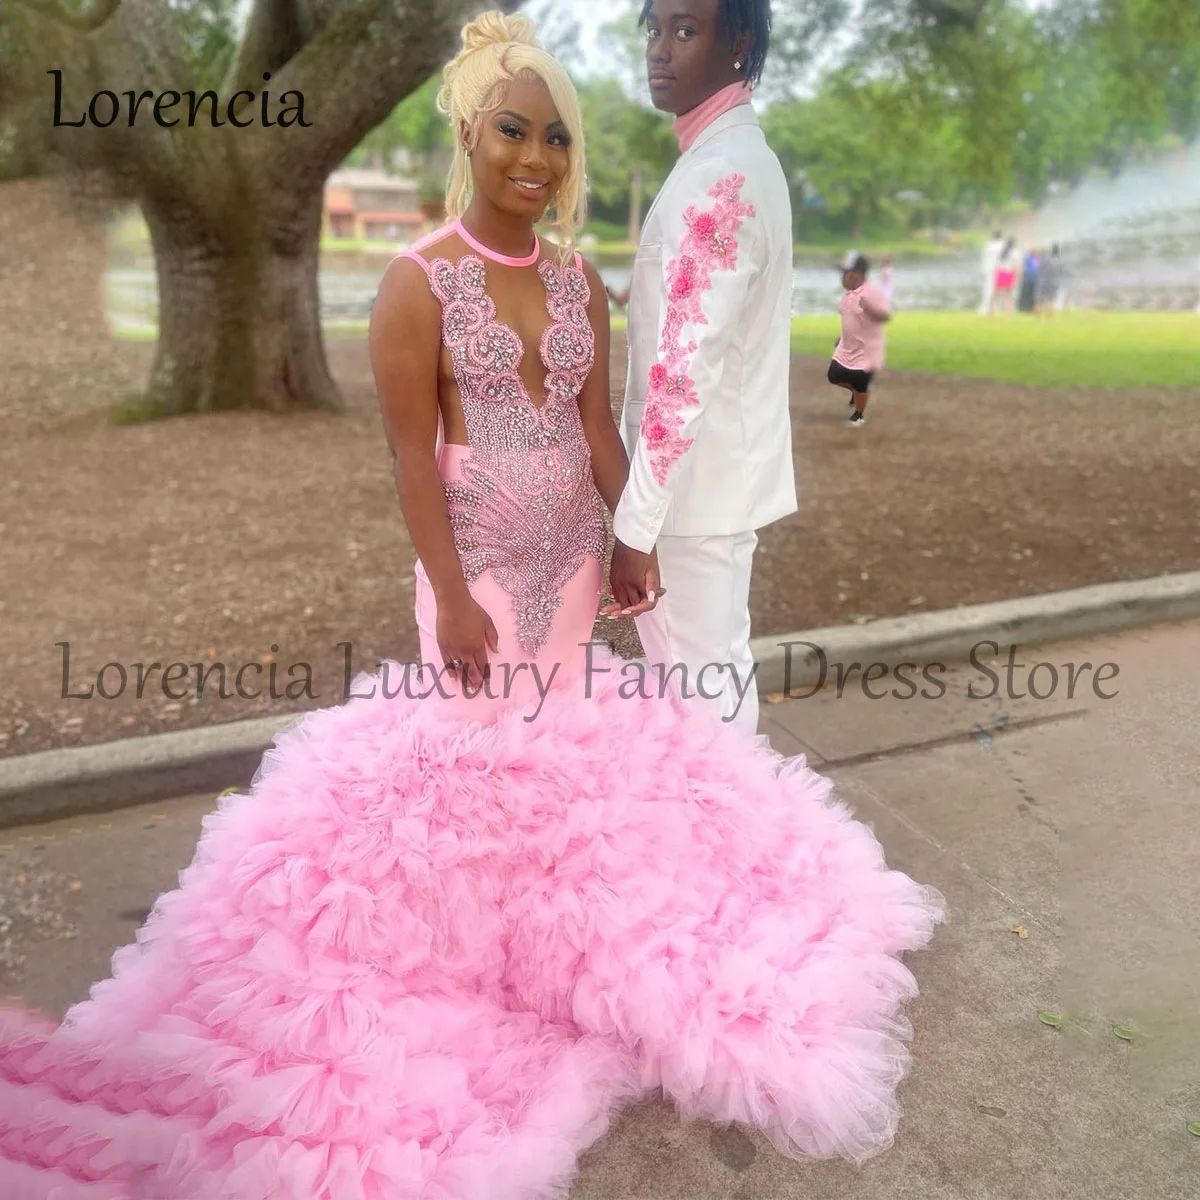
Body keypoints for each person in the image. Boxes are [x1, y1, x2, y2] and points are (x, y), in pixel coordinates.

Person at [0, 14, 943, 1198]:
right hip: (482, 582)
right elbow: (409, 458)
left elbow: (600, 426)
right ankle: (465, 967)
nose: (535, 157)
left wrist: (628, 539)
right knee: (474, 773)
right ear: (468, 131)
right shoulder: (418, 282)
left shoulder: (572, 280)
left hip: (576, 574)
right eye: (511, 129)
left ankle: (559, 957)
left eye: (555, 135)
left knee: (577, 778)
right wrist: (448, 595)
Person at [611, 0, 797, 737]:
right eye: (654, 30)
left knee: (700, 700)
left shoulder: (721, 175)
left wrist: (636, 524)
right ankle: (728, 838)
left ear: (738, 44)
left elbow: (683, 374)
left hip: (690, 499)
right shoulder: (730, 159)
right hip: (708, 488)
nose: (660, 49)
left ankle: (733, 846)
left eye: (685, 31)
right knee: (710, 676)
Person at [827, 251, 891, 426]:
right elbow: (850, 320)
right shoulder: (848, 295)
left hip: (867, 348)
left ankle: (859, 414)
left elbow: (885, 315)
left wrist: (869, 307)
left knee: (859, 380)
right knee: (834, 374)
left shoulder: (871, 293)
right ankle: (858, 393)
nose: (842, 278)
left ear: (857, 274)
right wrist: (842, 337)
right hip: (849, 345)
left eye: (845, 273)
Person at [990, 236, 1020, 316]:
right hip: (1008, 274)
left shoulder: (1002, 252)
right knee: (1008, 296)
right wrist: (1016, 279)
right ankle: (1007, 315)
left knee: (995, 294)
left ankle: (990, 311)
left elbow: (996, 265)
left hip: (1000, 273)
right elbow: (1016, 267)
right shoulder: (1015, 252)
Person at [979, 229, 1004, 314]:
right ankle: (996, 308)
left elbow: (983, 257)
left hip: (989, 270)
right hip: (1000, 271)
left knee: (988, 290)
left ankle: (986, 308)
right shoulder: (1002, 245)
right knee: (999, 291)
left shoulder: (989, 245)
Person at [1036, 243, 1062, 316]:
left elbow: (1040, 269)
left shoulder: (1046, 259)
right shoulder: (1059, 261)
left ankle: (1038, 313)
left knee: (1040, 298)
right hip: (1054, 281)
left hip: (1043, 281)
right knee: (1052, 298)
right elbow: (1061, 272)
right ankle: (1049, 314)